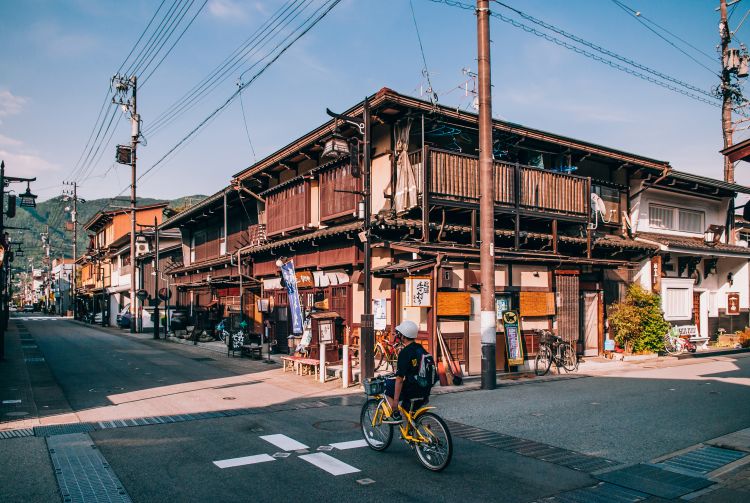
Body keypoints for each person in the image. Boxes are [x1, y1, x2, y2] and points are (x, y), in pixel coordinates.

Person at [383, 320, 431, 424]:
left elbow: (399, 379)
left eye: (400, 334)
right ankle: (412, 431)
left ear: (403, 336)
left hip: (412, 390)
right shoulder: (420, 348)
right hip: (425, 389)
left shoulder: (404, 353)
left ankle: (395, 414)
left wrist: (395, 402)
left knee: (387, 385)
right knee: (408, 410)